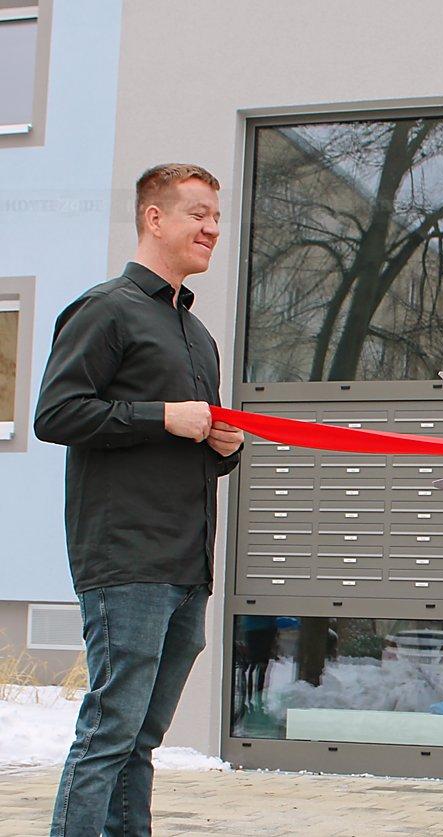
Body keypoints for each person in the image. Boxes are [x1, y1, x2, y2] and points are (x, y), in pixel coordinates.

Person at [35, 163, 244, 836]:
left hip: (187, 564)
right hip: (125, 559)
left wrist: (224, 447)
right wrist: (163, 416)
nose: (212, 228)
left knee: (140, 742)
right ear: (154, 218)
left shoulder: (198, 337)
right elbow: (56, 414)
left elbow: (189, 450)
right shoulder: (105, 309)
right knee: (109, 733)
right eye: (197, 214)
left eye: (216, 216)